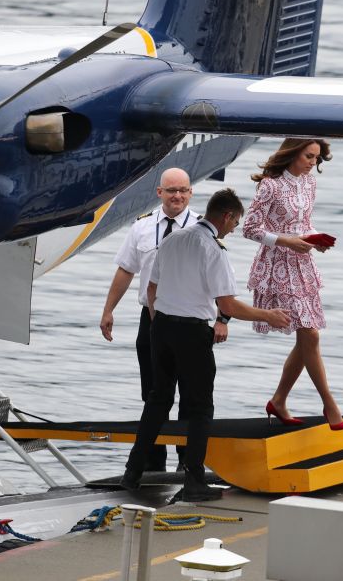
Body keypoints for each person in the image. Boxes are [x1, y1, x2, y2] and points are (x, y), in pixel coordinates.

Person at [120, 189, 291, 500]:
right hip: (192, 333)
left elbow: (152, 287)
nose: (234, 229)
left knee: (158, 400)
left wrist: (160, 322)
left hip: (162, 328)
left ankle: (132, 472)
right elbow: (228, 304)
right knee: (200, 407)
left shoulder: (172, 239)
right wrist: (269, 315)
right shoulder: (213, 249)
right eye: (235, 222)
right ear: (225, 216)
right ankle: (194, 480)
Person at [99, 167, 205, 471]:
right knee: (154, 392)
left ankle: (187, 462)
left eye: (183, 190)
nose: (178, 196)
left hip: (188, 321)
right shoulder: (142, 228)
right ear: (159, 193)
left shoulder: (201, 228)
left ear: (190, 193)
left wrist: (221, 318)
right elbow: (125, 270)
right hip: (152, 320)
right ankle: (153, 461)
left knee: (189, 393)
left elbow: (212, 277)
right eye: (172, 190)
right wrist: (109, 310)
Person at [242, 138, 343, 429]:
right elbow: (250, 229)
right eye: (309, 156)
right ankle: (329, 403)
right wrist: (285, 240)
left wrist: (316, 238)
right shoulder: (271, 185)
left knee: (307, 337)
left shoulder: (309, 183)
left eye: (316, 158)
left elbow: (304, 223)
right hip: (277, 266)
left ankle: (279, 400)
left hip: (303, 264)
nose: (313, 162)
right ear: (292, 153)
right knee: (310, 336)